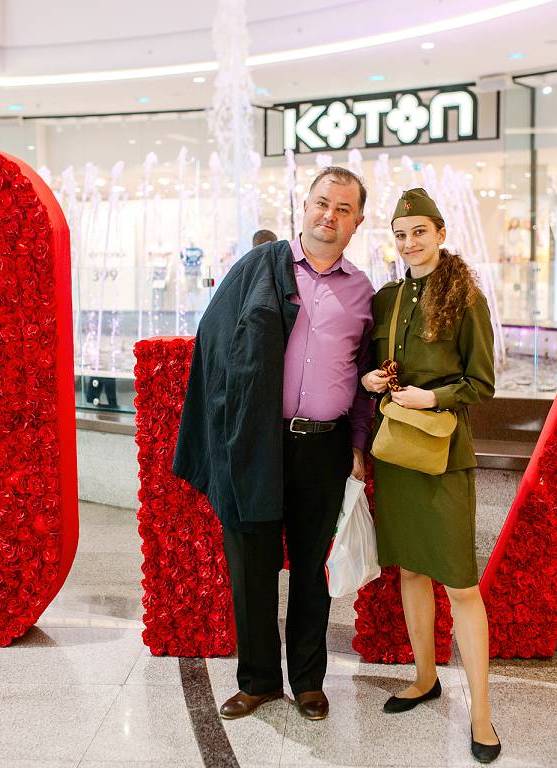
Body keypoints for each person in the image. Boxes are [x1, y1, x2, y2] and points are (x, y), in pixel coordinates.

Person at [173, 166, 374, 723]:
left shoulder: (363, 292)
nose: (329, 215)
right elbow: (214, 349)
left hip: (324, 448)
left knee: (312, 570)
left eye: (343, 209)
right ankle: (258, 680)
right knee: (251, 565)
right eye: (321, 203)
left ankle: (308, 682)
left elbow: (366, 376)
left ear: (358, 222)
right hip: (257, 442)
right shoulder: (257, 269)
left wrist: (359, 443)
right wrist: (223, 434)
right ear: (303, 207)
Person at [360, 188, 501, 764]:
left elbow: (482, 384)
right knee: (411, 570)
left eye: (419, 231)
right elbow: (370, 367)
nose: (409, 242)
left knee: (461, 585)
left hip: (443, 456)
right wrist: (373, 380)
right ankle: (424, 678)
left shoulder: (466, 298)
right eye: (400, 234)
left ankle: (482, 715)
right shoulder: (387, 298)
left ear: (441, 233)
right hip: (396, 452)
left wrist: (434, 396)